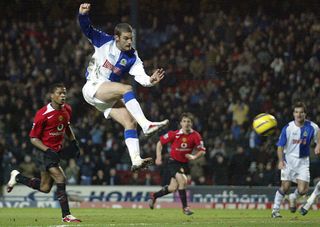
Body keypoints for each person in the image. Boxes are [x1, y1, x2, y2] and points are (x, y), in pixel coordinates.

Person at [78, 3, 169, 172]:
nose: (129, 41)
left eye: (131, 38)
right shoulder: (103, 40)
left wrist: (151, 79)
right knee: (126, 89)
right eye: (126, 38)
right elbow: (87, 29)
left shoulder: (132, 56)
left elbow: (141, 77)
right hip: (92, 87)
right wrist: (82, 15)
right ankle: (147, 125)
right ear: (117, 38)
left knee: (130, 122)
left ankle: (135, 159)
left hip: (105, 96)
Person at [6, 83, 81, 223]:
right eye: (60, 93)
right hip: (43, 152)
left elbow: (67, 126)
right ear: (52, 95)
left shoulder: (67, 110)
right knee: (61, 177)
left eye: (64, 93)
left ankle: (18, 177)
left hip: (55, 151)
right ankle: (66, 215)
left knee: (45, 187)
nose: (63, 96)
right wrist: (48, 150)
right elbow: (33, 138)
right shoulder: (42, 114)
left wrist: (74, 143)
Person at [148, 113, 206, 215]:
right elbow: (159, 143)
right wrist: (158, 157)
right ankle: (185, 208)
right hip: (173, 162)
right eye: (184, 121)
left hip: (184, 164)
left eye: (188, 121)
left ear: (191, 123)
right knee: (183, 181)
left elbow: (202, 150)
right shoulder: (174, 134)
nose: (186, 123)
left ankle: (154, 196)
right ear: (181, 123)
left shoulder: (196, 135)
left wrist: (194, 156)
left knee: (173, 188)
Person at [271, 102, 320, 218]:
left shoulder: (312, 127)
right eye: (296, 112)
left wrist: (318, 145)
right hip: (289, 161)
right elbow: (280, 147)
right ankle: (275, 210)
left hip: (303, 162)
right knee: (285, 187)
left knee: (303, 190)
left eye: (301, 112)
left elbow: (319, 135)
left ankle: (293, 197)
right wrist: (280, 160)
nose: (299, 115)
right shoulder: (287, 128)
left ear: (305, 114)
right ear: (293, 114)